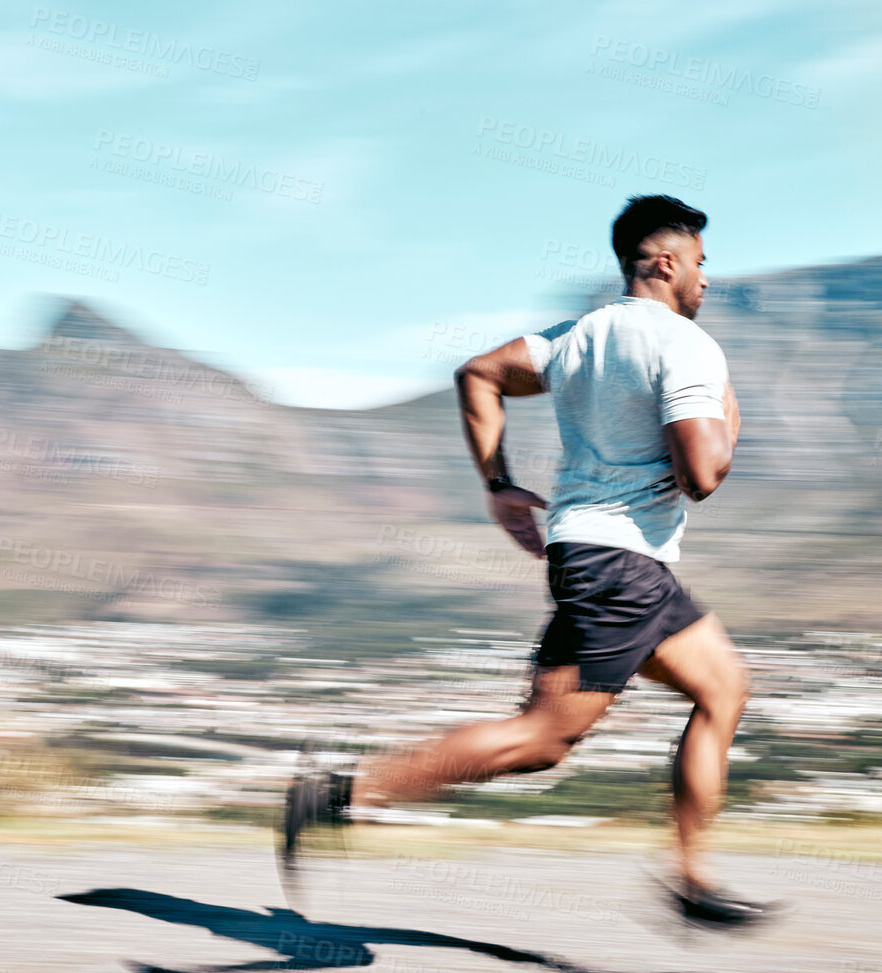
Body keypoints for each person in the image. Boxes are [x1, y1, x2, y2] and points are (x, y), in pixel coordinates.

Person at [284, 194, 776, 930]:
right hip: (620, 567)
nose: (706, 281)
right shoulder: (686, 346)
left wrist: (497, 487)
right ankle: (342, 793)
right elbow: (702, 476)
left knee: (724, 688)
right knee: (541, 741)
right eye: (701, 265)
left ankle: (691, 877)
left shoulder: (576, 336)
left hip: (608, 558)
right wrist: (730, 417)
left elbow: (477, 374)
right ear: (667, 262)